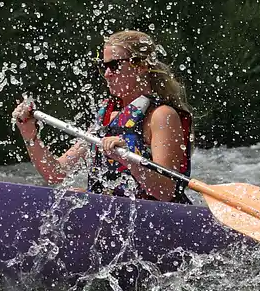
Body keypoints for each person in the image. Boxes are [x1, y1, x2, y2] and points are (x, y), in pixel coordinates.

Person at [12, 30, 194, 204]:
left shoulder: (161, 116)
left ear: (140, 66)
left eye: (114, 66)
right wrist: (29, 134)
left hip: (156, 221)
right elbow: (55, 173)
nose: (107, 74)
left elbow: (166, 191)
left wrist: (128, 160)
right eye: (103, 67)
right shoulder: (106, 117)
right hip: (115, 217)